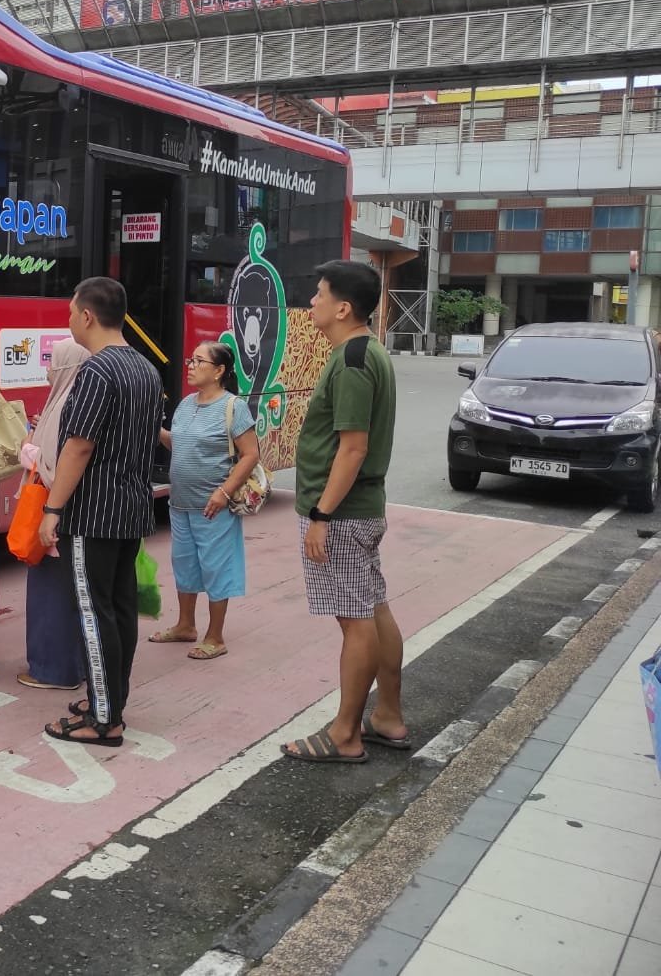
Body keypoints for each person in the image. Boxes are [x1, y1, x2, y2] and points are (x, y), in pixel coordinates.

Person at [281, 260, 403, 764]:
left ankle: (345, 734)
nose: (312, 302)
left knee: (356, 621)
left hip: (343, 514)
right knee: (374, 610)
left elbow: (353, 448)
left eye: (319, 294)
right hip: (360, 509)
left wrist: (321, 516)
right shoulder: (366, 351)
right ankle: (387, 715)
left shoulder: (353, 359)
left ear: (343, 308)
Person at [37, 277, 162, 747]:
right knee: (119, 609)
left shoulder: (97, 371)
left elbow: (79, 447)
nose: (69, 320)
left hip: (93, 512)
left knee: (93, 613)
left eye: (71, 312)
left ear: (87, 316)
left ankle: (104, 719)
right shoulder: (144, 368)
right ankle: (111, 699)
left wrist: (53, 508)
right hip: (131, 508)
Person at [151, 341, 260, 660]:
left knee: (216, 567)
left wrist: (223, 492)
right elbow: (179, 444)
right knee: (184, 564)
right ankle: (185, 625)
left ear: (219, 371)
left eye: (199, 361)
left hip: (215, 506)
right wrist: (155, 429)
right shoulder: (186, 404)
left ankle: (215, 636)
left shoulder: (233, 407)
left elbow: (250, 454)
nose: (191, 366)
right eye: (191, 360)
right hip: (180, 503)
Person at [15, 339, 91, 690]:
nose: (47, 369)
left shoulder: (64, 405)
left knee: (51, 598)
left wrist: (28, 449)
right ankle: (75, 667)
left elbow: (52, 463)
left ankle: (51, 670)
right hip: (74, 518)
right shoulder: (76, 399)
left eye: (52, 362)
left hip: (53, 516)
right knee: (71, 595)